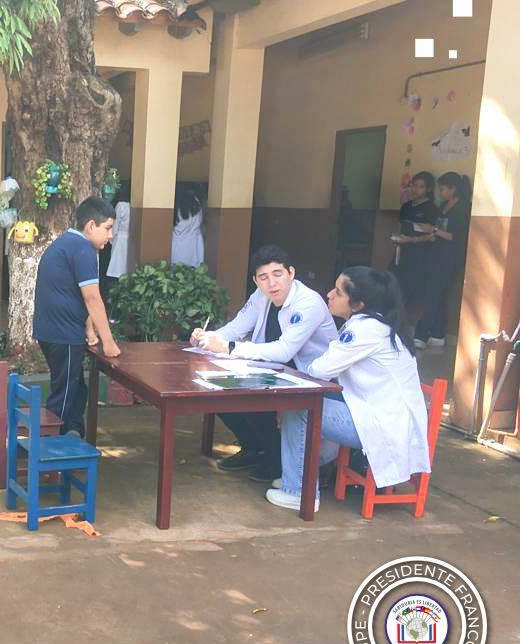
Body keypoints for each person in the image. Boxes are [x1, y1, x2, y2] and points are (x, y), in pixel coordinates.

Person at [268, 267, 429, 512]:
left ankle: (299, 491)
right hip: (380, 413)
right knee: (309, 397)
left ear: (358, 303)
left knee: (298, 406)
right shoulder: (379, 323)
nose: (330, 295)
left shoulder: (364, 329)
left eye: (339, 292)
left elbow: (321, 369)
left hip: (382, 424)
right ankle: (301, 475)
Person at [191, 245, 338, 483]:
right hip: (271, 366)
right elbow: (237, 328)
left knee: (253, 397)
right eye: (264, 277)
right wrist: (208, 338)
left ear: (291, 273)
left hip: (309, 375)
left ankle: (275, 459)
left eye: (277, 274)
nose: (272, 283)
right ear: (256, 280)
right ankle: (254, 449)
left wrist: (228, 348)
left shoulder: (308, 303)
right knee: (215, 392)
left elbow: (284, 350)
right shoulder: (261, 295)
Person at [33, 196, 121, 438]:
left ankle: (73, 434)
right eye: (108, 228)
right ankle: (48, 450)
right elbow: (92, 298)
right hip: (63, 335)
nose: (110, 235)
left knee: (76, 389)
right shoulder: (83, 249)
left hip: (51, 331)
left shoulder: (67, 243)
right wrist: (109, 343)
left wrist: (90, 331)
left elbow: (74, 295)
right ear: (91, 226)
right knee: (63, 395)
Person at [413, 172, 472, 349]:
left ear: (453, 189)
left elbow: (457, 237)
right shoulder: (443, 205)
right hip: (436, 255)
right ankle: (438, 334)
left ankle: (422, 334)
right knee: (437, 295)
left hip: (450, 259)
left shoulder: (462, 209)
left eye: (443, 189)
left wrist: (435, 230)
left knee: (433, 294)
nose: (440, 192)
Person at [391, 171, 437, 308]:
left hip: (420, 253)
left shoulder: (431, 208)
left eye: (421, 186)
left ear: (428, 189)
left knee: (414, 286)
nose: (416, 189)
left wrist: (411, 240)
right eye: (414, 185)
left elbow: (432, 236)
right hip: (402, 250)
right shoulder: (406, 207)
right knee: (395, 280)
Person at [101, 188, 132, 317]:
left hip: (119, 240)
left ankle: (113, 309)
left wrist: (110, 238)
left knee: (115, 271)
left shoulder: (121, 205)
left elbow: (115, 226)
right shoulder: (132, 205)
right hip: (129, 241)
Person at [170, 184, 205, 267]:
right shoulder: (197, 203)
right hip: (194, 248)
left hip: (176, 249)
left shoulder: (175, 206)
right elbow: (200, 220)